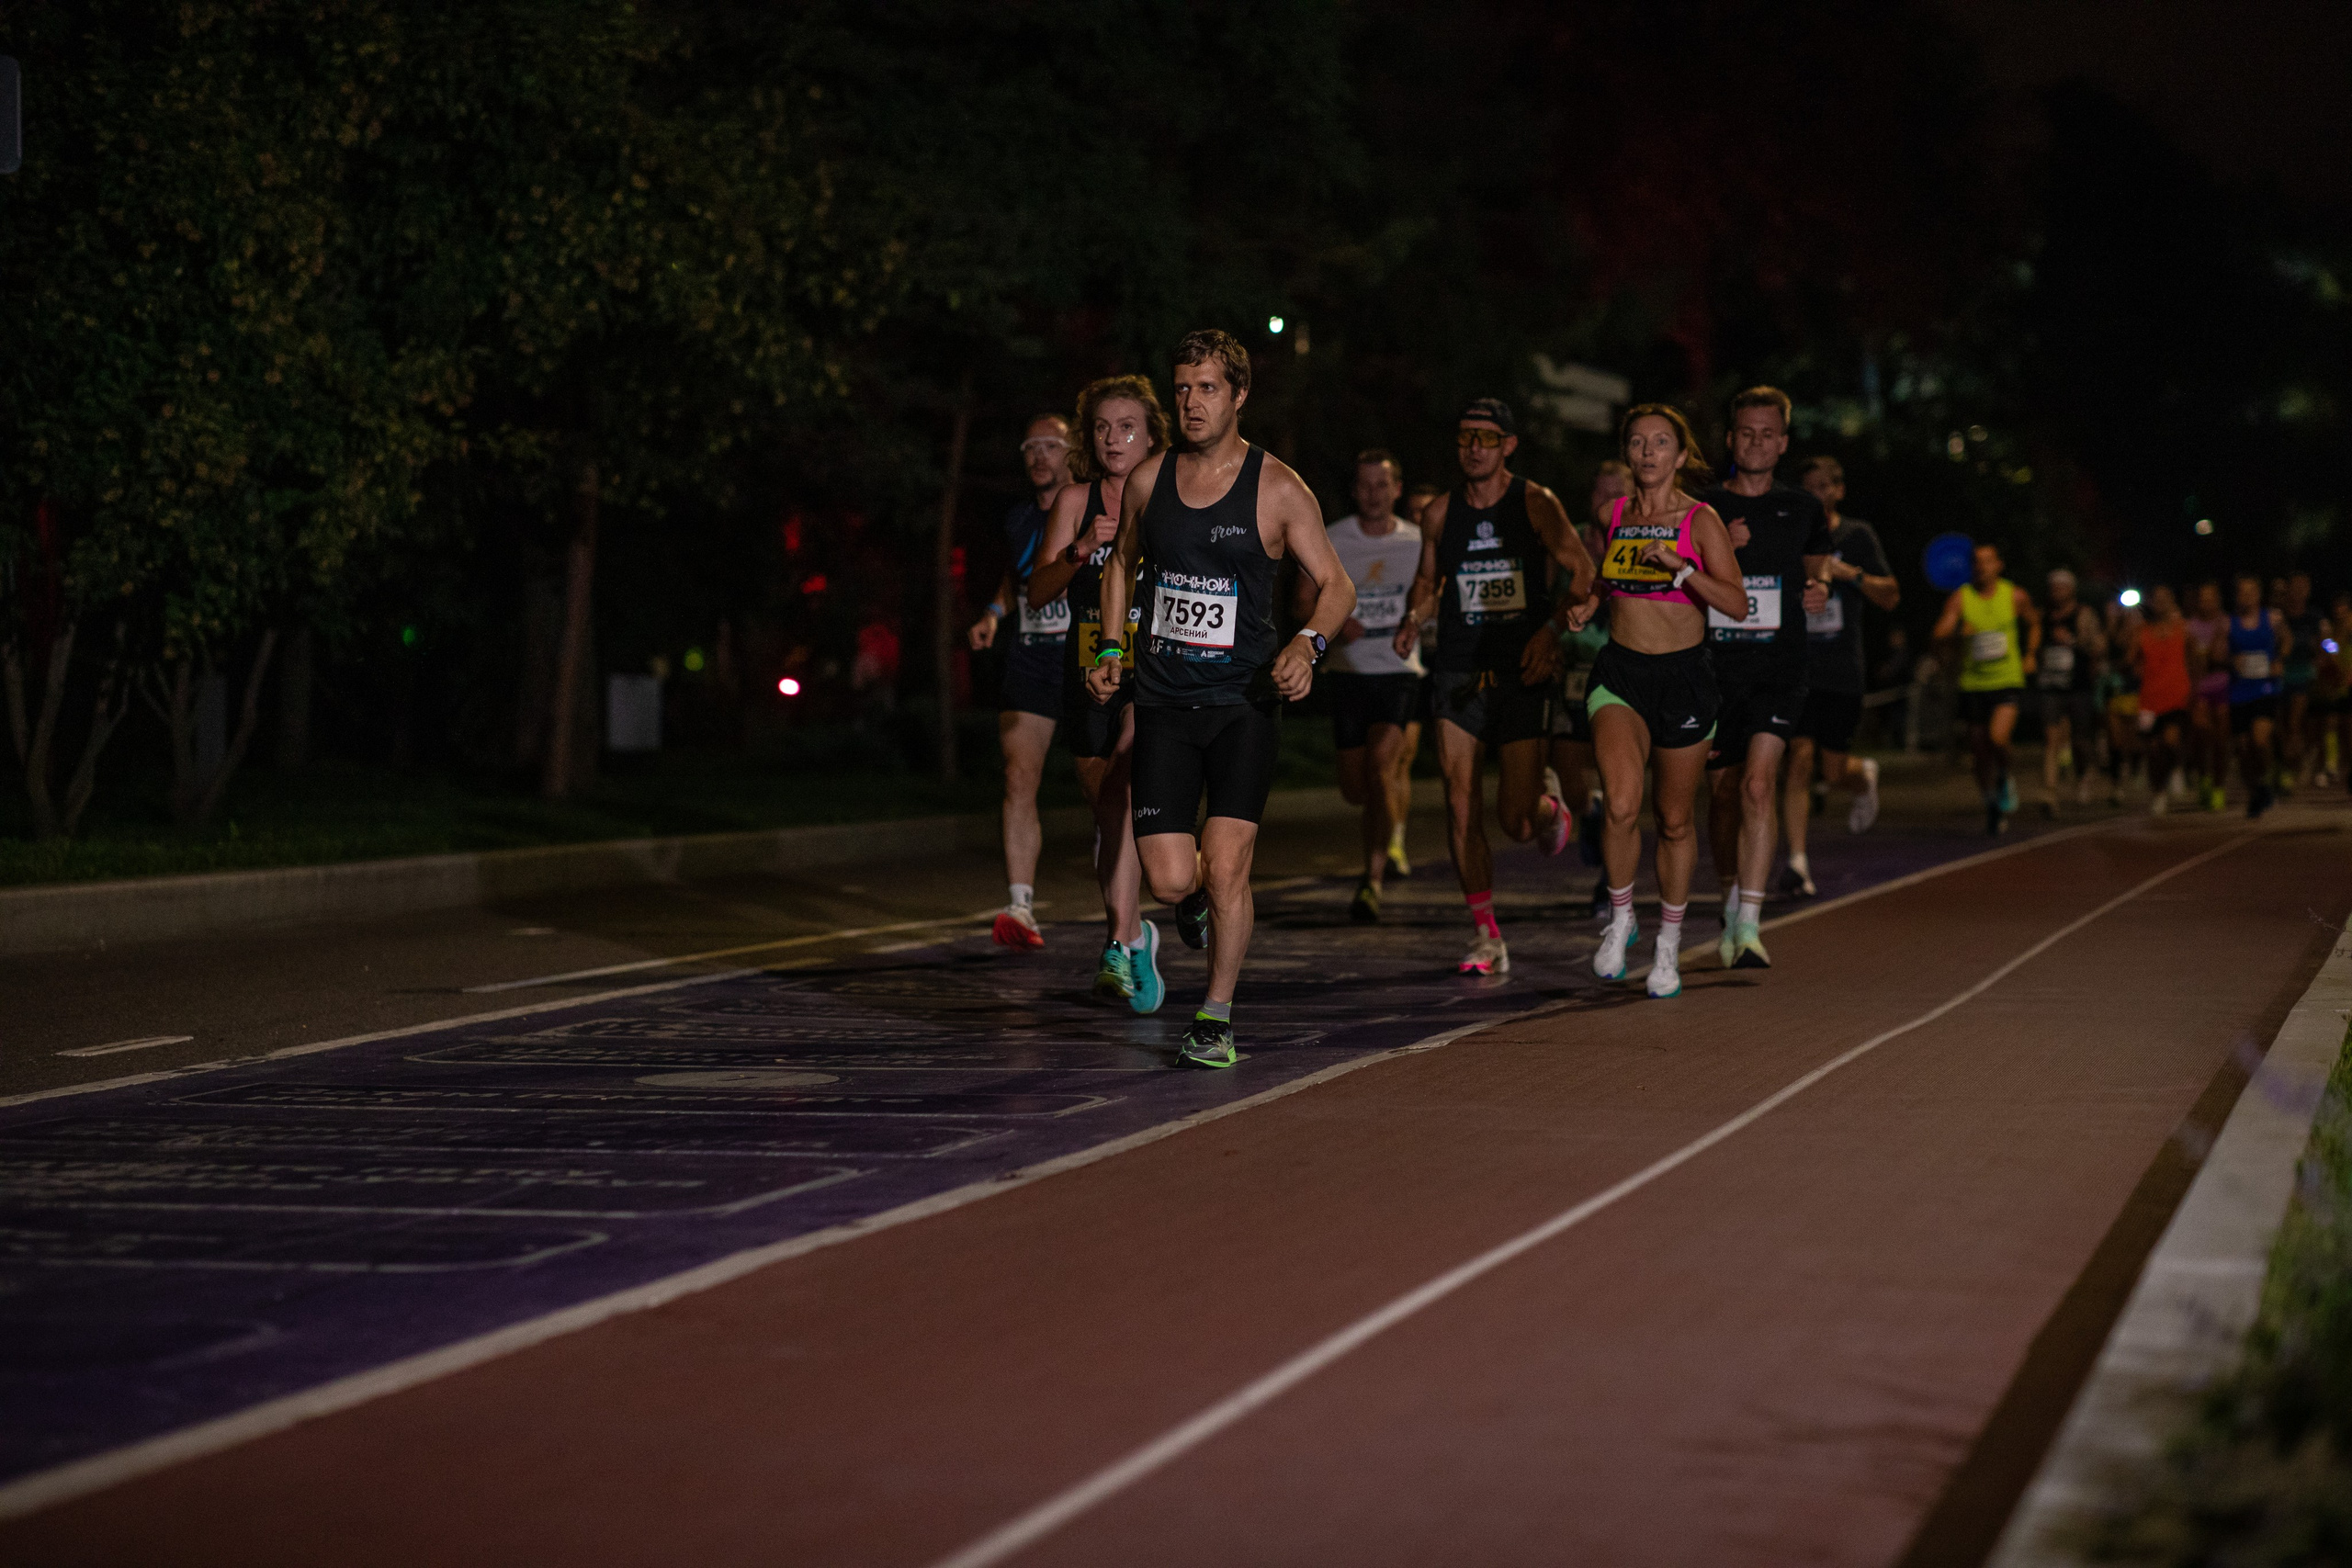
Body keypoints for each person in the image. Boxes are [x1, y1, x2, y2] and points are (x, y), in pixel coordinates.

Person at [1091, 328, 1354, 1068]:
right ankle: (1177, 914)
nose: (1191, 402)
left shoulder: (1277, 487)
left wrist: (1308, 644)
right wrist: (1113, 647)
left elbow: (1337, 585)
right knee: (1176, 877)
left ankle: (1215, 1015)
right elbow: (1120, 565)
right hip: (1166, 705)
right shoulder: (1149, 479)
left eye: (1207, 388)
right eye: (1181, 388)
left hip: (1242, 703)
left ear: (1239, 394)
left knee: (1228, 861)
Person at [1396, 397, 1597, 976]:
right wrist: (1414, 619)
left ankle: (1545, 802)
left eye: (1486, 438)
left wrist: (1553, 629)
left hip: (1522, 670)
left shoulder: (1535, 502)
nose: (1474, 448)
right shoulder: (1439, 513)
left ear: (1509, 444)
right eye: (1465, 438)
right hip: (1459, 668)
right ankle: (1486, 935)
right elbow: (1429, 582)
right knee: (1460, 806)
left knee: (1515, 820)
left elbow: (1583, 574)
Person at [1587, 404, 1748, 998]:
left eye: (1661, 443)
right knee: (1622, 804)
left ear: (1681, 457)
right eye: (1638, 442)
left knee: (1674, 819)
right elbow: (1605, 580)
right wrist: (1587, 602)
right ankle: (1622, 915)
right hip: (1621, 675)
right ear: (1628, 453)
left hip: (1684, 677)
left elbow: (1736, 603)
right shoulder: (1612, 514)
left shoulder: (1700, 520)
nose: (1648, 452)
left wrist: (1683, 572)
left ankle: (1668, 943)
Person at [1028, 378, 1166, 1012]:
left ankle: (1116, 940)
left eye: (1128, 427)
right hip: (1087, 666)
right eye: (1104, 428)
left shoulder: (1171, 496)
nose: (1115, 439)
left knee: (1131, 791)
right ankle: (1137, 936)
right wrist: (1084, 546)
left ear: (1152, 434)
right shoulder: (1075, 499)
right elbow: (1039, 591)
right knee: (1108, 816)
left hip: (1153, 664)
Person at [1701, 388, 1831, 965]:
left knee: (1758, 785)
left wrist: (1819, 585)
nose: (1755, 442)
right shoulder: (1701, 508)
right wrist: (1716, 550)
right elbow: (1673, 580)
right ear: (1731, 439)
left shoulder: (1803, 508)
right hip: (1712, 671)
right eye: (1745, 432)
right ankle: (1731, 898)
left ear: (1782, 442)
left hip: (1779, 668)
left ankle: (1750, 924)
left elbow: (1815, 564)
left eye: (1767, 433)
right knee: (1722, 795)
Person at [1295, 449, 1424, 923]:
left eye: (1382, 484)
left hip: (1397, 671)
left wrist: (1417, 619)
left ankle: (1372, 878)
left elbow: (1432, 592)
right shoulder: (1332, 538)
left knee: (1381, 769)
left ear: (1397, 489)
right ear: (1354, 491)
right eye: (1365, 484)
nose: (1374, 493)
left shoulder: (1416, 542)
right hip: (1348, 673)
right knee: (1355, 788)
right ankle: (1380, 832)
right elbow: (1302, 600)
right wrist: (1331, 622)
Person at [968, 414, 1074, 949]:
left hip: (1083, 661)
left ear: (1072, 451)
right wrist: (992, 612)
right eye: (1030, 446)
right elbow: (1018, 580)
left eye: (1051, 446)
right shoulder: (1016, 519)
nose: (1039, 456)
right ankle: (1020, 906)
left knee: (1107, 791)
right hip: (1031, 656)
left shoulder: (1090, 509)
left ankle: (1122, 918)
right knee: (1017, 779)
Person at [1781, 456, 1895, 897]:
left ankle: (1862, 776)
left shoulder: (1857, 535)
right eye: (1807, 487)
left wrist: (1851, 574)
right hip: (1797, 667)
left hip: (1842, 669)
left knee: (1830, 770)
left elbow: (1891, 596)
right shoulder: (1790, 535)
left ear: (1838, 491)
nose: (1816, 495)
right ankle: (1797, 862)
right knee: (1799, 760)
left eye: (1824, 486)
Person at [1553, 460, 1629, 917]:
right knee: (1571, 777)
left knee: (1619, 779)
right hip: (1572, 668)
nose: (1603, 504)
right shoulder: (1570, 537)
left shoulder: (1641, 536)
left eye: (1613, 495)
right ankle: (1588, 812)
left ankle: (1609, 884)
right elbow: (1548, 597)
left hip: (1620, 668)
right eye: (1597, 494)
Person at [1932, 542, 2041, 835]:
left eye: (1988, 561)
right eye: (1977, 562)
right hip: (1973, 683)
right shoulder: (1961, 598)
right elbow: (1939, 633)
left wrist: (2030, 654)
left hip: (2006, 679)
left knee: (1998, 738)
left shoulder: (2014, 595)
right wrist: (1957, 631)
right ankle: (1991, 802)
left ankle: (2005, 775)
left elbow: (2034, 622)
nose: (1982, 567)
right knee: (1979, 750)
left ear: (1999, 565)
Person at [2035, 569, 2109, 817]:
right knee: (2051, 739)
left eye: (2062, 587)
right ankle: (2050, 793)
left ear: (2072, 589)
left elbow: (2099, 646)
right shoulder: (2043, 616)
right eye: (2054, 587)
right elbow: (2035, 646)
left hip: (2078, 685)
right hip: (2051, 685)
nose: (2058, 591)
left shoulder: (2084, 614)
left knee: (2080, 740)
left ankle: (2083, 775)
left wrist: (2074, 642)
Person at [2225, 571, 2290, 818]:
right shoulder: (2229, 623)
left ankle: (2267, 777)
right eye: (2243, 592)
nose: (2247, 597)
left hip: (2265, 688)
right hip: (2240, 690)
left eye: (2252, 592)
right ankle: (2256, 791)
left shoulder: (2272, 618)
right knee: (2243, 748)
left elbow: (2287, 641)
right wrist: (2233, 659)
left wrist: (2280, 660)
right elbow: (2218, 653)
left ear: (2259, 595)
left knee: (2260, 740)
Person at [2133, 585, 2193, 813]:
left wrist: (2193, 687)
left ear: (2171, 601)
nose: (2159, 603)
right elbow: (2130, 660)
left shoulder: (2183, 629)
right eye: (2155, 599)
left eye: (2164, 599)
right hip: (2149, 699)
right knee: (2153, 750)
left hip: (2177, 696)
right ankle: (2158, 792)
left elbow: (2195, 658)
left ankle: (2178, 768)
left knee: (2170, 741)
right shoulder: (2141, 631)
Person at [2185, 581, 2233, 811]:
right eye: (2202, 598)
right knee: (2201, 737)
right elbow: (2188, 660)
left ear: (2218, 600)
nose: (2206, 602)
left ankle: (2218, 787)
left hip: (2223, 685)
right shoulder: (2189, 626)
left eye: (2210, 598)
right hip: (2199, 688)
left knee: (2220, 741)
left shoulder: (2226, 623)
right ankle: (2203, 776)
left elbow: (2231, 653)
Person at [2279, 571, 2323, 790]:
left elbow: (2326, 643)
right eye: (2294, 587)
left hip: (2304, 675)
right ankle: (2291, 761)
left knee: (2295, 722)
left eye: (2302, 588)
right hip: (2281, 674)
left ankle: (2291, 769)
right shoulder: (2279, 617)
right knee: (2284, 724)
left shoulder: (2314, 617)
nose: (2298, 592)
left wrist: (2329, 649)